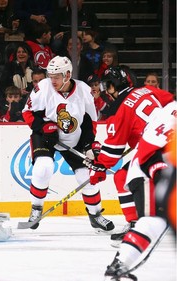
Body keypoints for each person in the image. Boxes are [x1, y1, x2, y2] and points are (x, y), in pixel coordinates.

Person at [21, 56, 114, 232]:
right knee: (43, 167)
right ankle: (36, 209)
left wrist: (88, 145)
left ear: (68, 75)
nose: (52, 80)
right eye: (51, 75)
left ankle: (95, 215)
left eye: (57, 76)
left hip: (75, 138)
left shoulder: (84, 90)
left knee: (86, 177)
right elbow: (27, 113)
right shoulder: (43, 87)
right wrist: (43, 127)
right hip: (46, 137)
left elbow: (90, 121)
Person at [85, 66, 174, 244]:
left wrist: (100, 166)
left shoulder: (119, 110)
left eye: (107, 87)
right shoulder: (146, 89)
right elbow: (170, 100)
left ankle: (138, 226)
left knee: (123, 176)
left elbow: (112, 151)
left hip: (155, 149)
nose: (107, 92)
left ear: (113, 86)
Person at [102, 101, 176, 280]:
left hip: (154, 170)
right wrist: (161, 177)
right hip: (147, 172)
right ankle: (121, 262)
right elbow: (150, 153)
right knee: (153, 221)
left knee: (155, 222)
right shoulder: (171, 117)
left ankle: (120, 263)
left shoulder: (170, 109)